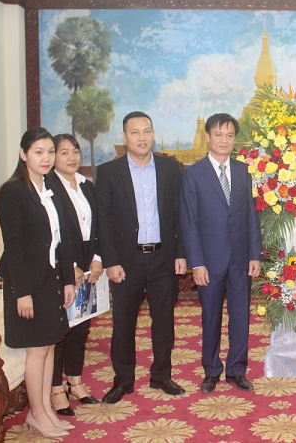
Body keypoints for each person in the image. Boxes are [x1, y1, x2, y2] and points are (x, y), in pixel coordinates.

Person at [96, 111, 187, 404]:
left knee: (164, 322)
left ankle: (161, 375)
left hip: (163, 258)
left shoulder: (170, 169)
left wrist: (181, 253)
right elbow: (103, 221)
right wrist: (110, 261)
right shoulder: (109, 172)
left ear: (153, 134)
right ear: (124, 137)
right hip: (126, 261)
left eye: (146, 131)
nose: (141, 137)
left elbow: (179, 215)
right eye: (134, 132)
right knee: (123, 323)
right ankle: (123, 380)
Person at [0, 127, 76, 438]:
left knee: (50, 345)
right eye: (38, 152)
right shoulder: (13, 192)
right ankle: (37, 414)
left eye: (50, 152)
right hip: (28, 283)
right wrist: (22, 292)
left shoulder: (51, 187)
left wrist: (68, 280)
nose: (46, 158)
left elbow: (63, 240)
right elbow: (13, 248)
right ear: (23, 154)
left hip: (53, 278)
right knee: (37, 350)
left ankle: (45, 410)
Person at [180, 113, 262, 394]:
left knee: (241, 317)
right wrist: (197, 263)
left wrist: (255, 254)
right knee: (211, 317)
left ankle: (237, 370)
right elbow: (189, 221)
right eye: (218, 135)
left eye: (229, 135)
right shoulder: (193, 173)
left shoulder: (243, 171)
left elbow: (252, 216)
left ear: (234, 139)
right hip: (210, 261)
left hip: (241, 259)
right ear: (208, 137)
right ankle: (212, 370)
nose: (224, 140)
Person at [48, 134, 102, 415]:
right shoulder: (48, 188)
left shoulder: (87, 186)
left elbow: (98, 227)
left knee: (81, 325)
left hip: (86, 262)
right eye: (63, 152)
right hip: (59, 264)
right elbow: (50, 234)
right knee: (61, 329)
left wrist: (96, 259)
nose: (71, 157)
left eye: (75, 151)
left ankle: (76, 382)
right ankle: (56, 389)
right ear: (53, 157)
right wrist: (70, 266)